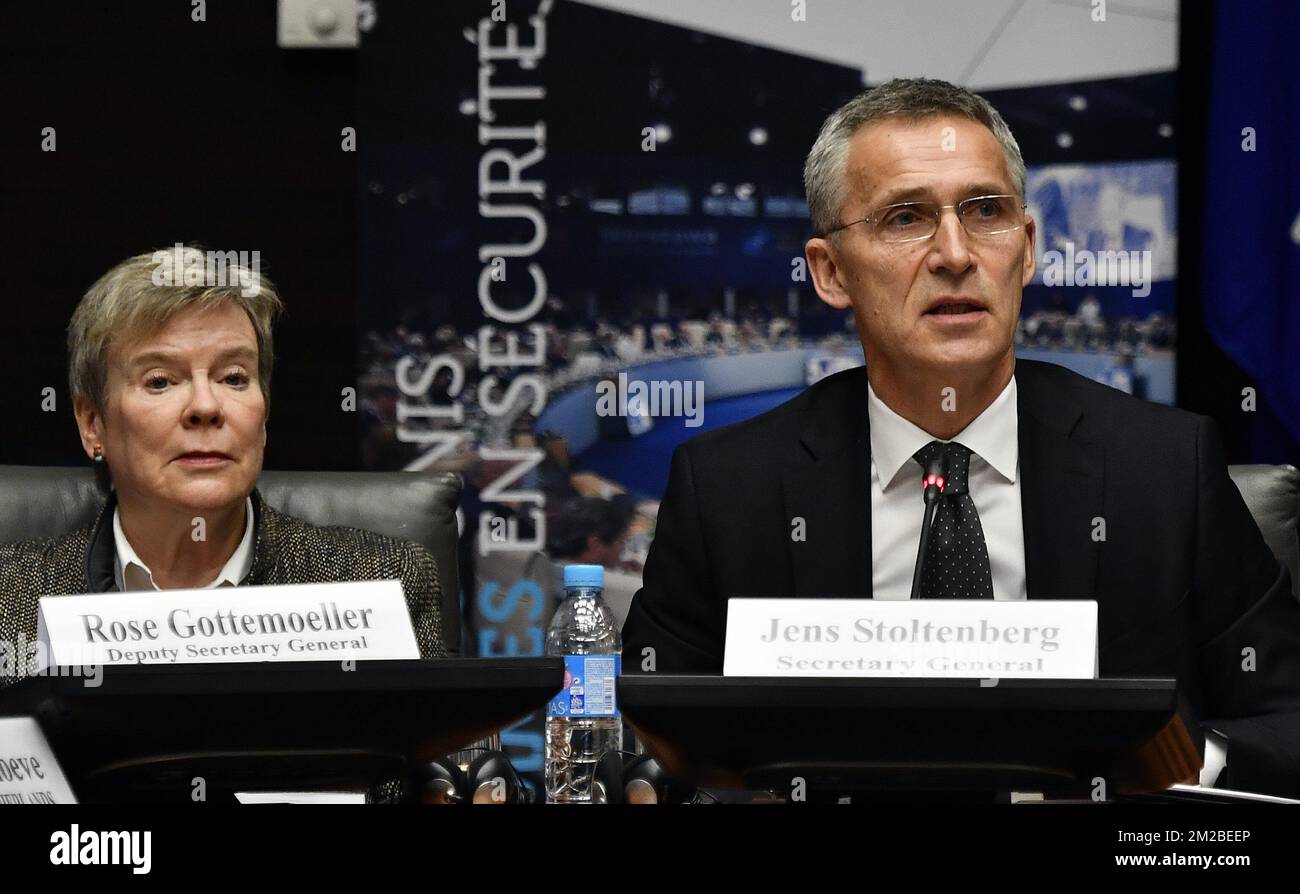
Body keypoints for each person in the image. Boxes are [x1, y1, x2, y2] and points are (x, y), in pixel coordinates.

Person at [621, 78, 1300, 797]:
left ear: (1029, 248)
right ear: (829, 271)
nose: (954, 252)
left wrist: (1172, 760)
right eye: (906, 218)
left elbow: (1289, 718)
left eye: (986, 211)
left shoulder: (1164, 469)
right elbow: (644, 736)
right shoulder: (727, 489)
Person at [0, 247, 447, 689]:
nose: (206, 406)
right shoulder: (12, 600)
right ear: (92, 423)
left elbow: (458, 759)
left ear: (264, 413)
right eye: (160, 381)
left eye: (233, 378)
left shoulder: (382, 581)